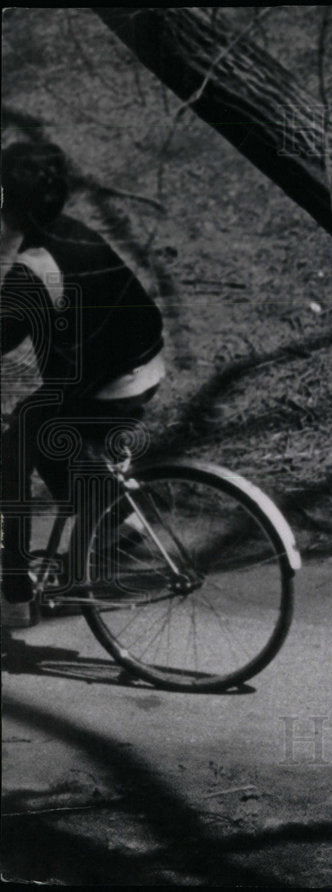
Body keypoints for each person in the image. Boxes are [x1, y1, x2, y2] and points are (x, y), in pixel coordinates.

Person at [1, 141, 165, 626]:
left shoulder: (34, 268)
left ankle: (13, 592)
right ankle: (113, 513)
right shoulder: (76, 233)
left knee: (15, 446)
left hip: (112, 382)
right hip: (142, 365)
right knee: (47, 431)